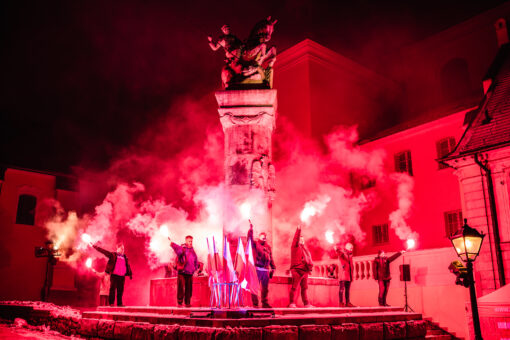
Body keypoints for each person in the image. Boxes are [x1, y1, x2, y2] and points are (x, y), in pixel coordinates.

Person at [247, 221, 276, 308]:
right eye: (262, 236)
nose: (264, 237)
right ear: (259, 237)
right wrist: (251, 230)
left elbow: (271, 258)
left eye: (265, 236)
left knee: (265, 289)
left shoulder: (268, 247)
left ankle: (264, 303)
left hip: (266, 270)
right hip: (257, 269)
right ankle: (255, 304)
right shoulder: (255, 244)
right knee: (255, 287)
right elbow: (249, 239)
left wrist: (273, 267)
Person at [169, 235, 199, 307]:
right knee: (181, 288)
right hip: (182, 272)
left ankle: (187, 303)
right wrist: (171, 243)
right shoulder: (182, 249)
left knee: (189, 289)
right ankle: (180, 303)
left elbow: (196, 261)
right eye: (189, 241)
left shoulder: (193, 251)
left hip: (190, 273)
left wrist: (196, 269)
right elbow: (176, 247)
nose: (191, 242)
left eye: (191, 241)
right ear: (186, 241)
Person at [288, 224, 314, 308]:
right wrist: (298, 229)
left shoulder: (305, 249)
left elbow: (309, 260)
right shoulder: (295, 247)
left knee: (304, 288)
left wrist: (309, 269)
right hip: (296, 269)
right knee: (294, 287)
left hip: (305, 271)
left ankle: (306, 303)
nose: (302, 241)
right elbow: (295, 238)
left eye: (303, 240)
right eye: (300, 239)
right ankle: (292, 303)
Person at [335, 242, 355, 307]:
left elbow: (351, 265)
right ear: (347, 248)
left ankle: (347, 302)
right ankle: (341, 302)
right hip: (343, 274)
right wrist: (337, 249)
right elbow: (339, 252)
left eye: (352, 248)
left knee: (347, 290)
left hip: (348, 275)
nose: (352, 249)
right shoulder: (343, 253)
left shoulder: (350, 255)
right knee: (341, 289)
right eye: (351, 248)